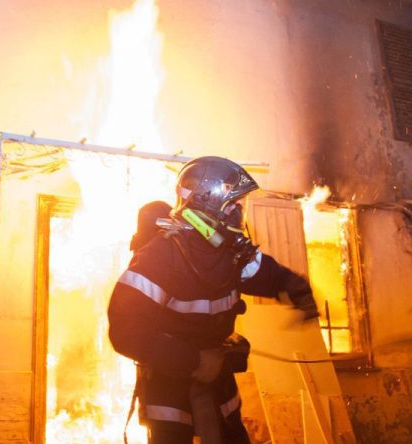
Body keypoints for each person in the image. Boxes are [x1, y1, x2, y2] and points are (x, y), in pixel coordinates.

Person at [108, 156, 319, 444]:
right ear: (207, 203)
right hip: (170, 391)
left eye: (238, 207)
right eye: (232, 205)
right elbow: (125, 331)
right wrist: (193, 361)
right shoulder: (161, 257)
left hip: (219, 390)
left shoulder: (231, 254)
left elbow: (269, 275)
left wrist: (300, 293)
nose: (237, 214)